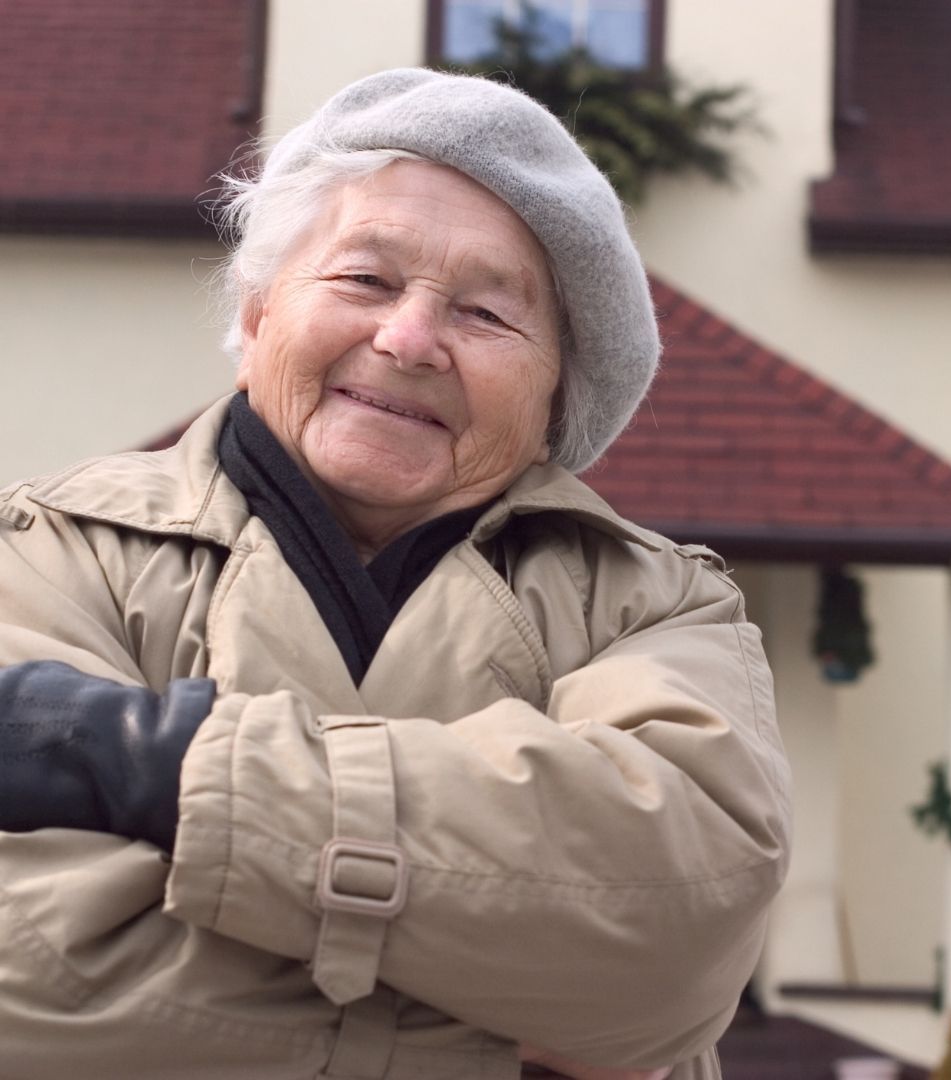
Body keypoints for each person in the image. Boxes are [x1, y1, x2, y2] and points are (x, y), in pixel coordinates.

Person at [0, 68, 791, 1079]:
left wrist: (160, 764)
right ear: (257, 315)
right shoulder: (49, 543)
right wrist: (516, 1031)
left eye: (486, 315)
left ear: (558, 398)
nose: (409, 339)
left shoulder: (656, 605)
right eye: (365, 280)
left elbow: (673, 934)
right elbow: (32, 976)